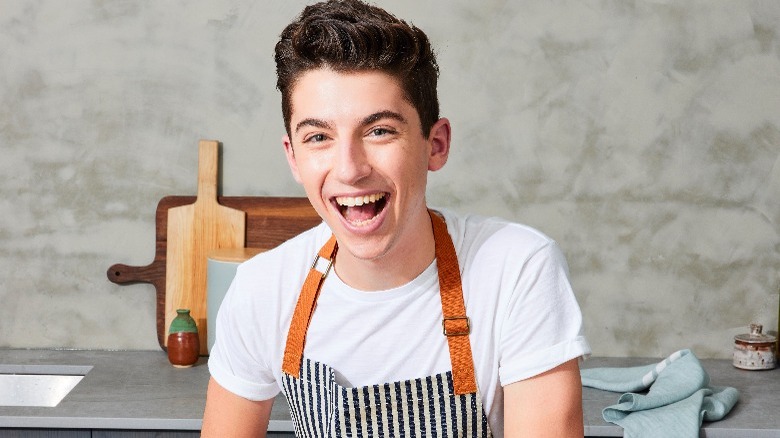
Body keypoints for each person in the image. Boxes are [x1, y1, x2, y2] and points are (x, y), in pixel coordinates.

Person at [202, 0, 591, 436]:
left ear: (435, 145)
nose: (350, 169)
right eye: (318, 137)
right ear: (293, 157)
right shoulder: (262, 290)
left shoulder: (518, 270)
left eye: (379, 131)